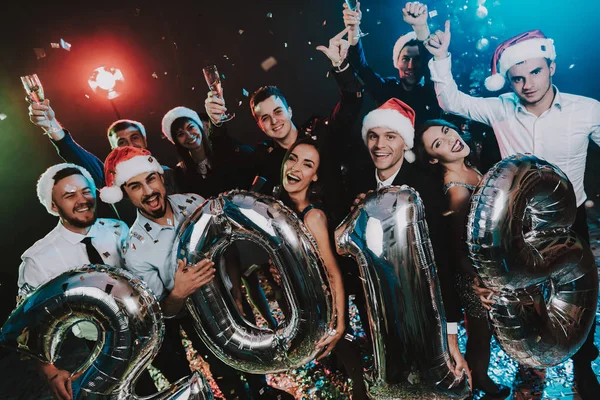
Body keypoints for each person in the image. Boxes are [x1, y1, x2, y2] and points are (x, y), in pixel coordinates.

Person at [425, 21, 600, 398]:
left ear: (551, 66)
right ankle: (531, 374)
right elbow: (451, 101)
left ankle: (583, 370)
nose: (528, 84)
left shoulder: (587, 111)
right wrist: (440, 57)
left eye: (535, 71)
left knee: (580, 294)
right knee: (527, 300)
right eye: (517, 77)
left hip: (571, 224)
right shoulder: (501, 109)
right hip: (519, 228)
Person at [100, 146, 293, 400]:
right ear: (125, 193)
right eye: (135, 186)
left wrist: (236, 292)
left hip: (230, 296)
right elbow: (162, 313)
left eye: (150, 179)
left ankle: (263, 390)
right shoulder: (134, 250)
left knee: (253, 350)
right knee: (225, 369)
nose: (148, 192)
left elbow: (228, 248)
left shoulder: (193, 202)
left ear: (160, 177)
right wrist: (179, 292)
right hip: (194, 320)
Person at [352, 98, 471, 385]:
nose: (380, 145)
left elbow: (443, 261)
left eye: (390, 136)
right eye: (373, 136)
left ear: (405, 144)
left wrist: (450, 333)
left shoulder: (425, 190)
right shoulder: (356, 183)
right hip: (379, 313)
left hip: (423, 314)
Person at [205, 27, 364, 225]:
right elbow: (225, 164)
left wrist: (341, 67)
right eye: (265, 118)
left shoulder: (320, 133)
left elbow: (352, 103)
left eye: (278, 112)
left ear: (289, 111)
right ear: (259, 125)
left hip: (343, 231)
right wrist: (216, 122)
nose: (274, 121)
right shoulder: (264, 160)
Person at [414, 120, 510, 397]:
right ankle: (474, 381)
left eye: (446, 131)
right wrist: (478, 281)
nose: (450, 139)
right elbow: (458, 250)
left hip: (488, 267)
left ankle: (479, 377)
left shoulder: (470, 168)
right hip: (472, 276)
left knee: (486, 334)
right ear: (433, 159)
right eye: (438, 144)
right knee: (481, 336)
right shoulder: (455, 189)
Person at [17, 163, 130, 400]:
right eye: (70, 195)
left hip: (153, 333)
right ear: (53, 205)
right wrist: (49, 372)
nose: (82, 200)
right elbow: (26, 325)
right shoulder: (38, 259)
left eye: (86, 191)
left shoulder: (118, 230)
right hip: (98, 348)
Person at [278, 137, 369, 399]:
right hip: (301, 297)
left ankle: (361, 391)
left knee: (339, 343)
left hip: (322, 300)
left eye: (307, 164)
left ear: (315, 176)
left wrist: (340, 322)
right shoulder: (281, 207)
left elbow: (332, 271)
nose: (295, 168)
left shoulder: (313, 217)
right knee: (330, 348)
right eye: (293, 159)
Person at [27, 101, 176, 225]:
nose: (130, 145)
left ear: (145, 140)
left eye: (135, 137)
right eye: (122, 142)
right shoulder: (111, 181)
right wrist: (51, 125)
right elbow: (77, 155)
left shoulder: (168, 173)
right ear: (113, 149)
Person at [342, 1, 441, 123]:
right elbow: (360, 66)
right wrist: (353, 28)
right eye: (405, 59)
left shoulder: (434, 91)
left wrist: (420, 27)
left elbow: (431, 63)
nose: (410, 66)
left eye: (417, 60)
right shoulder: (386, 90)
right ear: (396, 62)